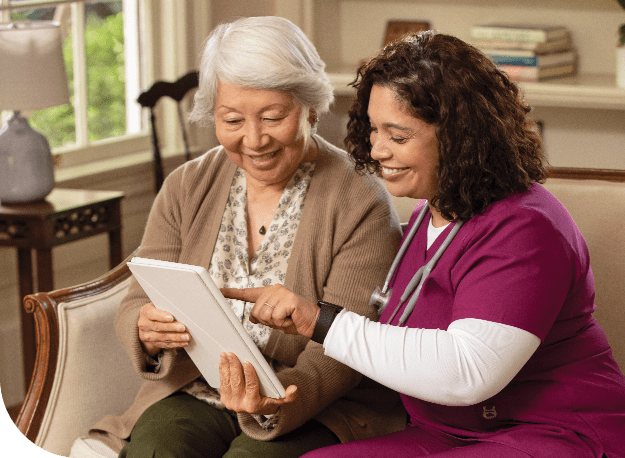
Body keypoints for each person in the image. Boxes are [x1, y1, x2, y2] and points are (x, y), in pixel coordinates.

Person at [222, 31, 625, 458]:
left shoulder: (527, 228)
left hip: (554, 431)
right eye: (374, 130)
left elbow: (469, 370)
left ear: (459, 137)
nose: (377, 150)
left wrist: (320, 321)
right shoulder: (424, 219)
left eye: (397, 137)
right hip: (445, 434)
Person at [69, 16, 407, 458]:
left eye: (273, 116)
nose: (254, 139)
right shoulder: (187, 185)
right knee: (158, 448)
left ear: (310, 106)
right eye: (232, 119)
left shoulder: (361, 197)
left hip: (318, 402)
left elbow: (348, 341)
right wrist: (145, 328)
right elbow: (138, 298)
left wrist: (276, 403)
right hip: (201, 389)